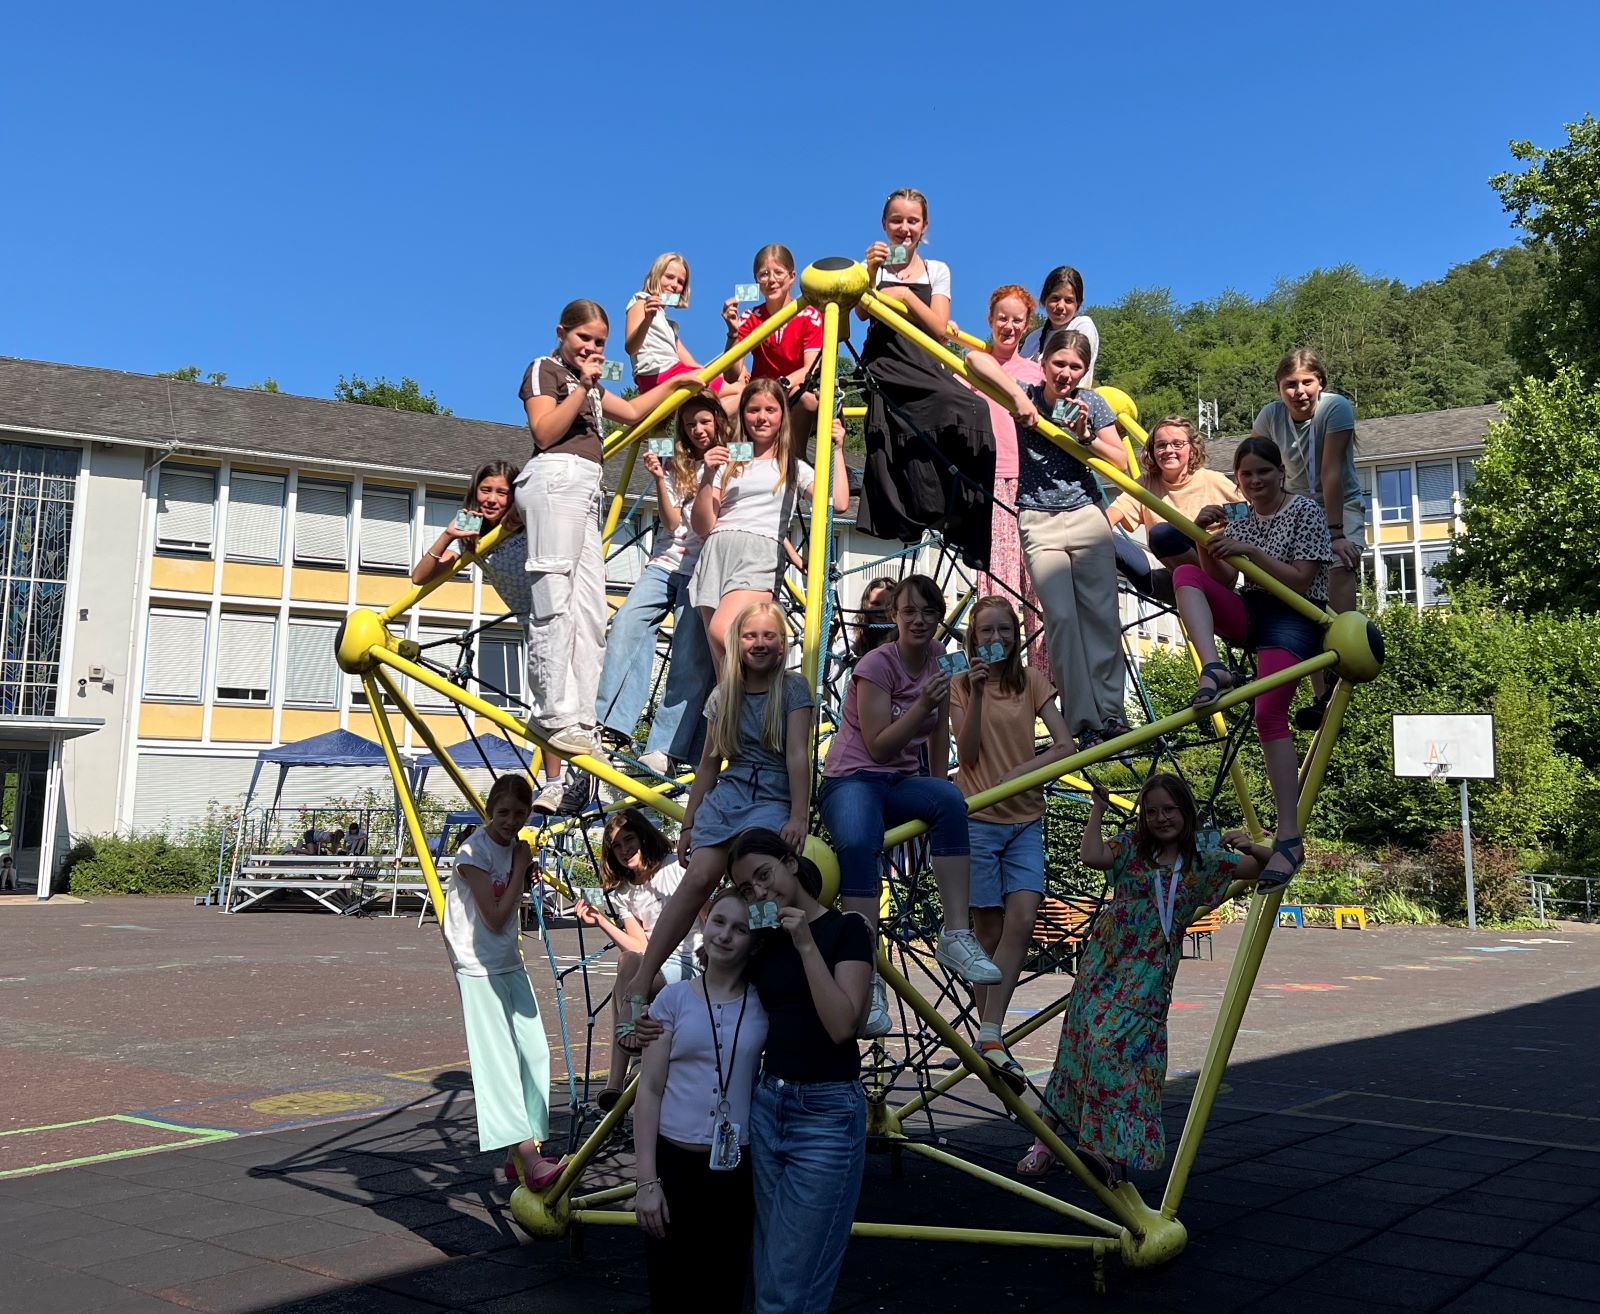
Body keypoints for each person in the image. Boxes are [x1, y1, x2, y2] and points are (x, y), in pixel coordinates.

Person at [1019, 776, 1267, 1183]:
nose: (1161, 818)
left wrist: (1250, 845)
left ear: (1186, 811)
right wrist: (1098, 809)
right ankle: (1045, 1142)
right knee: (1079, 1046)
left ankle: (1098, 1148)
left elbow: (1269, 867)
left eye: (1169, 809)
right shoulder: (1132, 847)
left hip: (1150, 972)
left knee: (1116, 1051)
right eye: (1152, 811)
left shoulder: (1203, 860)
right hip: (1106, 962)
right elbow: (1092, 856)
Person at [516, 298, 705, 760]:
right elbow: (544, 432)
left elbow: (635, 412)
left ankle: (583, 718)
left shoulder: (593, 387)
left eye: (600, 342)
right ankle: (551, 711)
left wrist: (676, 381)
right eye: (584, 338)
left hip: (586, 486)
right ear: (561, 332)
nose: (592, 347)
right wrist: (583, 385)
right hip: (556, 476)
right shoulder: (545, 369)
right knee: (555, 597)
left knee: (589, 608)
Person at [819, 573, 1001, 1037]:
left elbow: (938, 729)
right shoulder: (875, 665)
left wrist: (937, 785)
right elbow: (878, 746)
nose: (919, 621)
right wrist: (921, 705)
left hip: (899, 781)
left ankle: (956, 933)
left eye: (928, 612)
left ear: (939, 617)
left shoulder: (940, 657)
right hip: (853, 777)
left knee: (950, 801)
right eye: (909, 612)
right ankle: (864, 973)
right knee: (859, 842)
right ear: (894, 617)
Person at [618, 599, 815, 1017]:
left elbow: (799, 755)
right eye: (750, 636)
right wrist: (689, 824)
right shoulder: (723, 695)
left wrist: (799, 814)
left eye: (769, 636)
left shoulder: (793, 689)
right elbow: (709, 764)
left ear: (783, 644)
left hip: (772, 794)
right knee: (697, 878)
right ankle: (644, 975)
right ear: (736, 643)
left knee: (757, 878)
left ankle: (761, 972)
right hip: (730, 795)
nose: (759, 643)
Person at [729, 829, 873, 1314]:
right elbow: (721, 994)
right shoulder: (765, 940)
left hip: (826, 1114)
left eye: (763, 875)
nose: (759, 891)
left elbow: (842, 1026)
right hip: (770, 1103)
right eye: (747, 888)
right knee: (770, 1271)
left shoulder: (846, 930)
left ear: (791, 863)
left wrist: (807, 944)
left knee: (790, 1287)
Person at [1179, 435, 1334, 885]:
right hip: (1253, 611)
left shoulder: (1305, 511)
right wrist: (1207, 543)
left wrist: (1252, 552)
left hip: (1295, 615)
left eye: (1263, 471)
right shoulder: (1239, 518)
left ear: (1280, 472)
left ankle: (1289, 837)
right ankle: (1213, 668)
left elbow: (1301, 581)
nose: (1255, 480)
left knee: (1269, 713)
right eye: (1246, 474)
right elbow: (1224, 580)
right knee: (1185, 572)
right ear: (1237, 479)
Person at [950, 596, 1075, 1091]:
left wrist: (1024, 771)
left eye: (1005, 629)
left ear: (1016, 636)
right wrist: (978, 693)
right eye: (987, 631)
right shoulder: (962, 684)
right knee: (986, 933)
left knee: (1022, 918)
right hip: (978, 819)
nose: (996, 638)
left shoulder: (1032, 682)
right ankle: (992, 1038)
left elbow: (1064, 745)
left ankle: (990, 1032)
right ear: (973, 637)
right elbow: (969, 754)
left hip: (1025, 817)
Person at [412, 461, 576, 816]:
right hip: (532, 621)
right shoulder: (473, 532)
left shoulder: (524, 519)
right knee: (546, 697)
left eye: (502, 492)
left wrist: (521, 508)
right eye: (486, 490)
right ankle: (555, 782)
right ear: (475, 492)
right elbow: (420, 577)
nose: (492, 499)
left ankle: (565, 777)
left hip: (563, 609)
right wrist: (448, 535)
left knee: (561, 695)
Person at [633, 890, 768, 1314]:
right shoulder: (673, 1000)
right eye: (719, 922)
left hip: (735, 1168)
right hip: (674, 1166)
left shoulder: (764, 1005)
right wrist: (646, 1181)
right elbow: (649, 1090)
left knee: (724, 1288)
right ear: (705, 924)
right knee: (670, 1289)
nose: (725, 935)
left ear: (755, 942)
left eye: (740, 929)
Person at [855, 188, 1001, 571]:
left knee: (973, 406)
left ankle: (966, 508)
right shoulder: (873, 267)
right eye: (897, 220)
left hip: (924, 357)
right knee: (930, 410)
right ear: (884, 224)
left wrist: (905, 296)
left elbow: (938, 328)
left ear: (924, 226)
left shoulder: (937, 269)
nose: (904, 228)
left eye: (912, 220)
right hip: (887, 360)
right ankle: (914, 507)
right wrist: (869, 271)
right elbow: (860, 313)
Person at [443, 775, 559, 1188]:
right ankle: (529, 1156)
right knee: (500, 1062)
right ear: (490, 810)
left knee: (535, 1052)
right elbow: (493, 917)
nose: (511, 821)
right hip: (477, 965)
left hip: (507, 960)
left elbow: (509, 904)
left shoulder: (514, 849)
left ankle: (527, 1150)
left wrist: (522, 872)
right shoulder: (473, 851)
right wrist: (521, 868)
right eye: (504, 812)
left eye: (520, 813)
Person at [1016, 328, 1130, 747]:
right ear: (1043, 363)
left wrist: (1086, 435)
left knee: (1101, 615)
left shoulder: (1091, 403)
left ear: (1084, 371)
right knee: (1061, 619)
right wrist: (1018, 403)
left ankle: (1111, 713)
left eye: (1075, 367)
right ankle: (1083, 719)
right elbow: (977, 363)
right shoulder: (1024, 393)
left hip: (1085, 514)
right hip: (1038, 518)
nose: (1065, 373)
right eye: (1059, 363)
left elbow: (1121, 461)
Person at [594, 390, 720, 766]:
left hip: (702, 566)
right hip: (665, 563)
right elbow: (670, 520)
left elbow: (740, 415)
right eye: (690, 423)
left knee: (688, 654)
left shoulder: (733, 454)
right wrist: (659, 477)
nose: (698, 429)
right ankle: (612, 722)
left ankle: (666, 746)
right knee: (626, 623)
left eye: (705, 421)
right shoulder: (672, 456)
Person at [689, 378, 849, 670]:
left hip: (758, 551)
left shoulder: (792, 466)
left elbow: (837, 502)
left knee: (724, 632)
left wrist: (837, 450)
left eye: (770, 410)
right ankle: (738, 701)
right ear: (743, 415)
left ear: (782, 416)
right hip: (717, 552)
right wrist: (708, 476)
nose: (761, 417)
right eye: (753, 410)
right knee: (722, 666)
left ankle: (772, 687)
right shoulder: (729, 461)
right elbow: (703, 525)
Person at [1252, 348, 1361, 728]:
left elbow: (1330, 472)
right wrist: (1249, 513)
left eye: (1306, 382)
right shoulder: (1270, 416)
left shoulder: (1335, 409)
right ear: (1279, 388)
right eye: (1290, 385)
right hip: (1293, 504)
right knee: (1303, 594)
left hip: (1337, 503)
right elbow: (1256, 466)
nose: (1299, 391)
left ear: (1320, 383)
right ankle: (1320, 693)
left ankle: (1340, 659)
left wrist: (1335, 534)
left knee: (1338, 565)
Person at [581, 809, 703, 1111]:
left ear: (644, 837)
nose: (624, 850)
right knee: (629, 962)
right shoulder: (625, 891)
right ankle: (626, 1065)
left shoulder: (676, 866)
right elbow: (638, 945)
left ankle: (616, 1078)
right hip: (654, 964)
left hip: (690, 960)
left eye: (629, 840)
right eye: (617, 846)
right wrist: (602, 921)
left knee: (627, 981)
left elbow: (705, 911)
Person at [966, 285, 1047, 670]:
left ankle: (1043, 682)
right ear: (990, 320)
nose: (1009, 326)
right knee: (998, 587)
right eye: (1002, 318)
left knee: (1041, 587)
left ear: (1027, 325)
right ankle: (996, 676)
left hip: (1033, 481)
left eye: (1017, 320)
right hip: (994, 479)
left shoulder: (1037, 372)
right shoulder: (975, 364)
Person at [1105, 418, 1244, 603]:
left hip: (1216, 571)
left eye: (1177, 444)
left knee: (1162, 533)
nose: (1169, 450)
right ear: (1152, 451)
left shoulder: (1213, 482)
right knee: (1100, 537)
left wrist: (1215, 529)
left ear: (1192, 449)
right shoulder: (1147, 484)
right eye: (1161, 445)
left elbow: (1250, 517)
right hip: (1172, 575)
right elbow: (1110, 517)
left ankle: (1209, 590)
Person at [722, 243, 825, 439]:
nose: (771, 280)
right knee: (719, 410)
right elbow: (731, 374)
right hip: (758, 397)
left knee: (807, 399)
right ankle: (728, 457)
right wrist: (733, 333)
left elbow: (811, 368)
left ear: (792, 277)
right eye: (764, 274)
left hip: (793, 393)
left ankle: (795, 454)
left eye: (778, 272)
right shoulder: (750, 317)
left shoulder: (809, 315)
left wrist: (779, 387)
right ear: (756, 281)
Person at [624, 252, 736, 405]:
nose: (674, 285)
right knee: (738, 391)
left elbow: (692, 365)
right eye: (669, 277)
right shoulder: (641, 303)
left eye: (680, 282)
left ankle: (713, 419)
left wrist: (724, 374)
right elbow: (631, 348)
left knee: (732, 392)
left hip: (671, 373)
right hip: (657, 375)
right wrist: (647, 321)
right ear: (656, 276)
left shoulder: (668, 326)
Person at [1018, 264, 1101, 385]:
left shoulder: (1082, 326)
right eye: (1055, 298)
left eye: (1068, 300)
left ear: (1078, 304)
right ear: (1044, 299)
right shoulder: (1033, 339)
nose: (1061, 306)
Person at [850, 575, 899, 659]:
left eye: (889, 605)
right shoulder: (853, 636)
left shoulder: (904, 638)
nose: (882, 609)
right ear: (865, 605)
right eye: (876, 603)